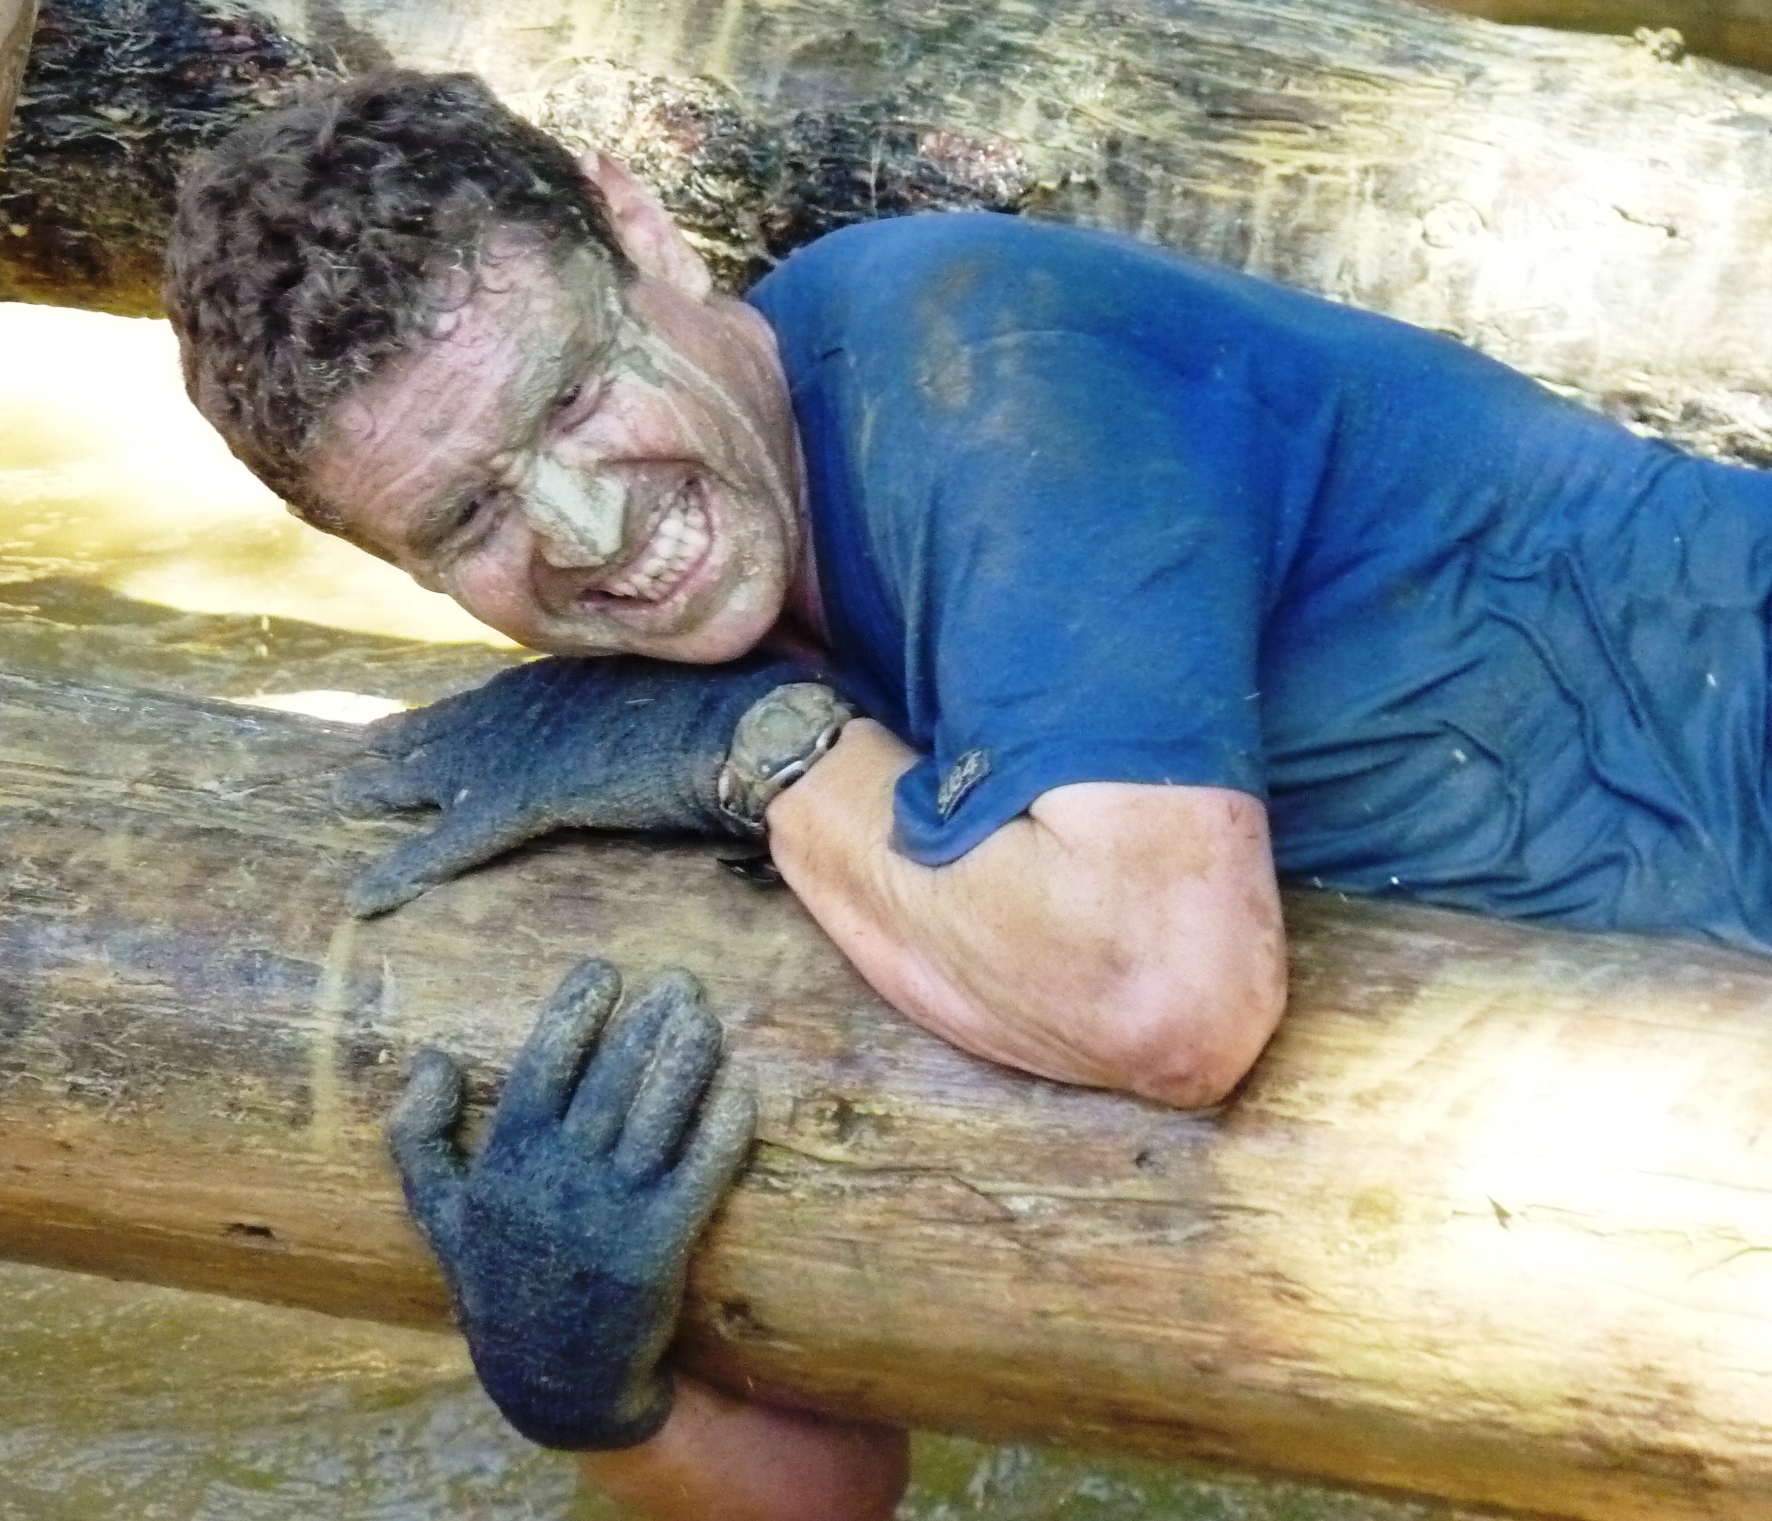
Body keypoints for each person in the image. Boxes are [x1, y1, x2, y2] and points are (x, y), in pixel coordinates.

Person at [162, 67, 1772, 1521]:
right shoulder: (679, 656)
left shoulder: (977, 355)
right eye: (468, 520)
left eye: (576, 397)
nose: (586, 527)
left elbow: (1166, 993)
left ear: (641, 233)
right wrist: (595, 1386)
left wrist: (772, 752)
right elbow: (836, 1487)